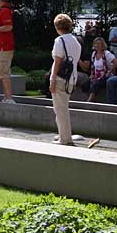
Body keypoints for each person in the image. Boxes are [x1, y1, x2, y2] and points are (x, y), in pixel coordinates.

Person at [49, 14, 82, 146]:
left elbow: (57, 62)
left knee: (60, 108)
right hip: (72, 77)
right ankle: (62, 134)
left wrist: (52, 79)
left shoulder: (59, 40)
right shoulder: (76, 41)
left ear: (57, 27)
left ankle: (65, 138)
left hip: (60, 78)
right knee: (62, 107)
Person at [87, 37, 117, 102]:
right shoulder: (93, 54)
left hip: (106, 75)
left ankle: (89, 101)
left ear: (102, 45)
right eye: (95, 43)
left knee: (96, 84)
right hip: (96, 75)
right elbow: (93, 66)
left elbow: (116, 62)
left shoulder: (106, 53)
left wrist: (109, 72)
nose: (96, 45)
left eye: (98, 44)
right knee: (85, 84)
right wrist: (92, 74)